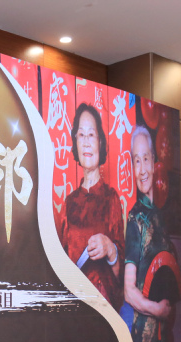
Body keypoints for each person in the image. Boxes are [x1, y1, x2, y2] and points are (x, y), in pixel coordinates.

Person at [124, 125, 178, 342]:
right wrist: (157, 310)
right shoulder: (135, 220)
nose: (142, 168)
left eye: (146, 159)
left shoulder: (160, 215)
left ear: (155, 162)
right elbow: (128, 290)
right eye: (136, 160)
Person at [59, 103, 124, 309]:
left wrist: (110, 249)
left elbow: (120, 276)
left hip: (104, 311)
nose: (86, 142)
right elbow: (59, 266)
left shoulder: (111, 198)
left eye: (91, 135)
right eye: (81, 135)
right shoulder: (69, 204)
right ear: (75, 143)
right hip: (74, 311)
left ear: (100, 142)